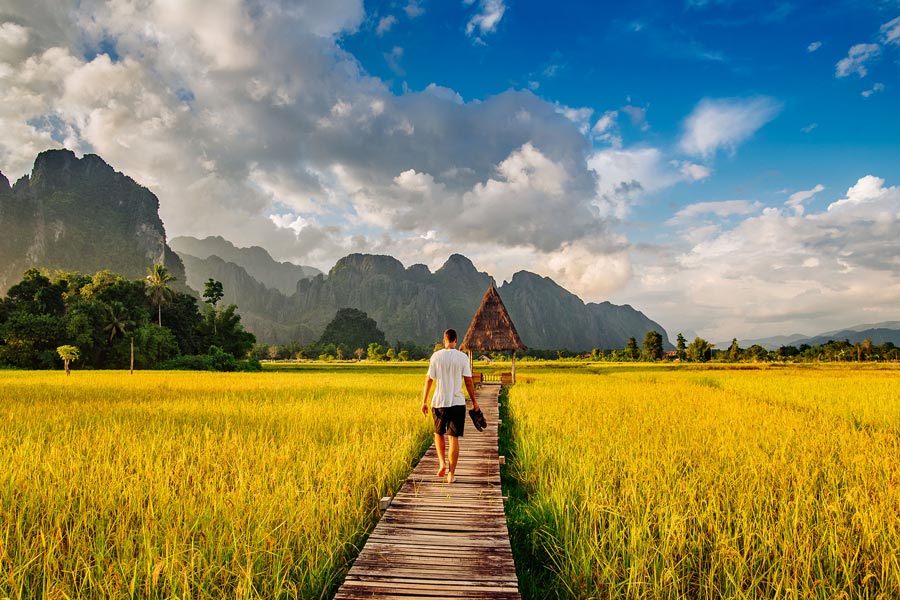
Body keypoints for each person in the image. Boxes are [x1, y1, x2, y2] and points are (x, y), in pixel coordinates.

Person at [421, 328, 480, 484]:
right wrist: (474, 402)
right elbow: (468, 381)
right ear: (456, 340)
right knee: (453, 438)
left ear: (444, 340)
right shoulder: (462, 358)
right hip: (457, 403)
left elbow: (428, 380)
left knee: (438, 433)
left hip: (439, 402)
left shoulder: (436, 356)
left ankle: (441, 463)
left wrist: (424, 401)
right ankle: (451, 474)